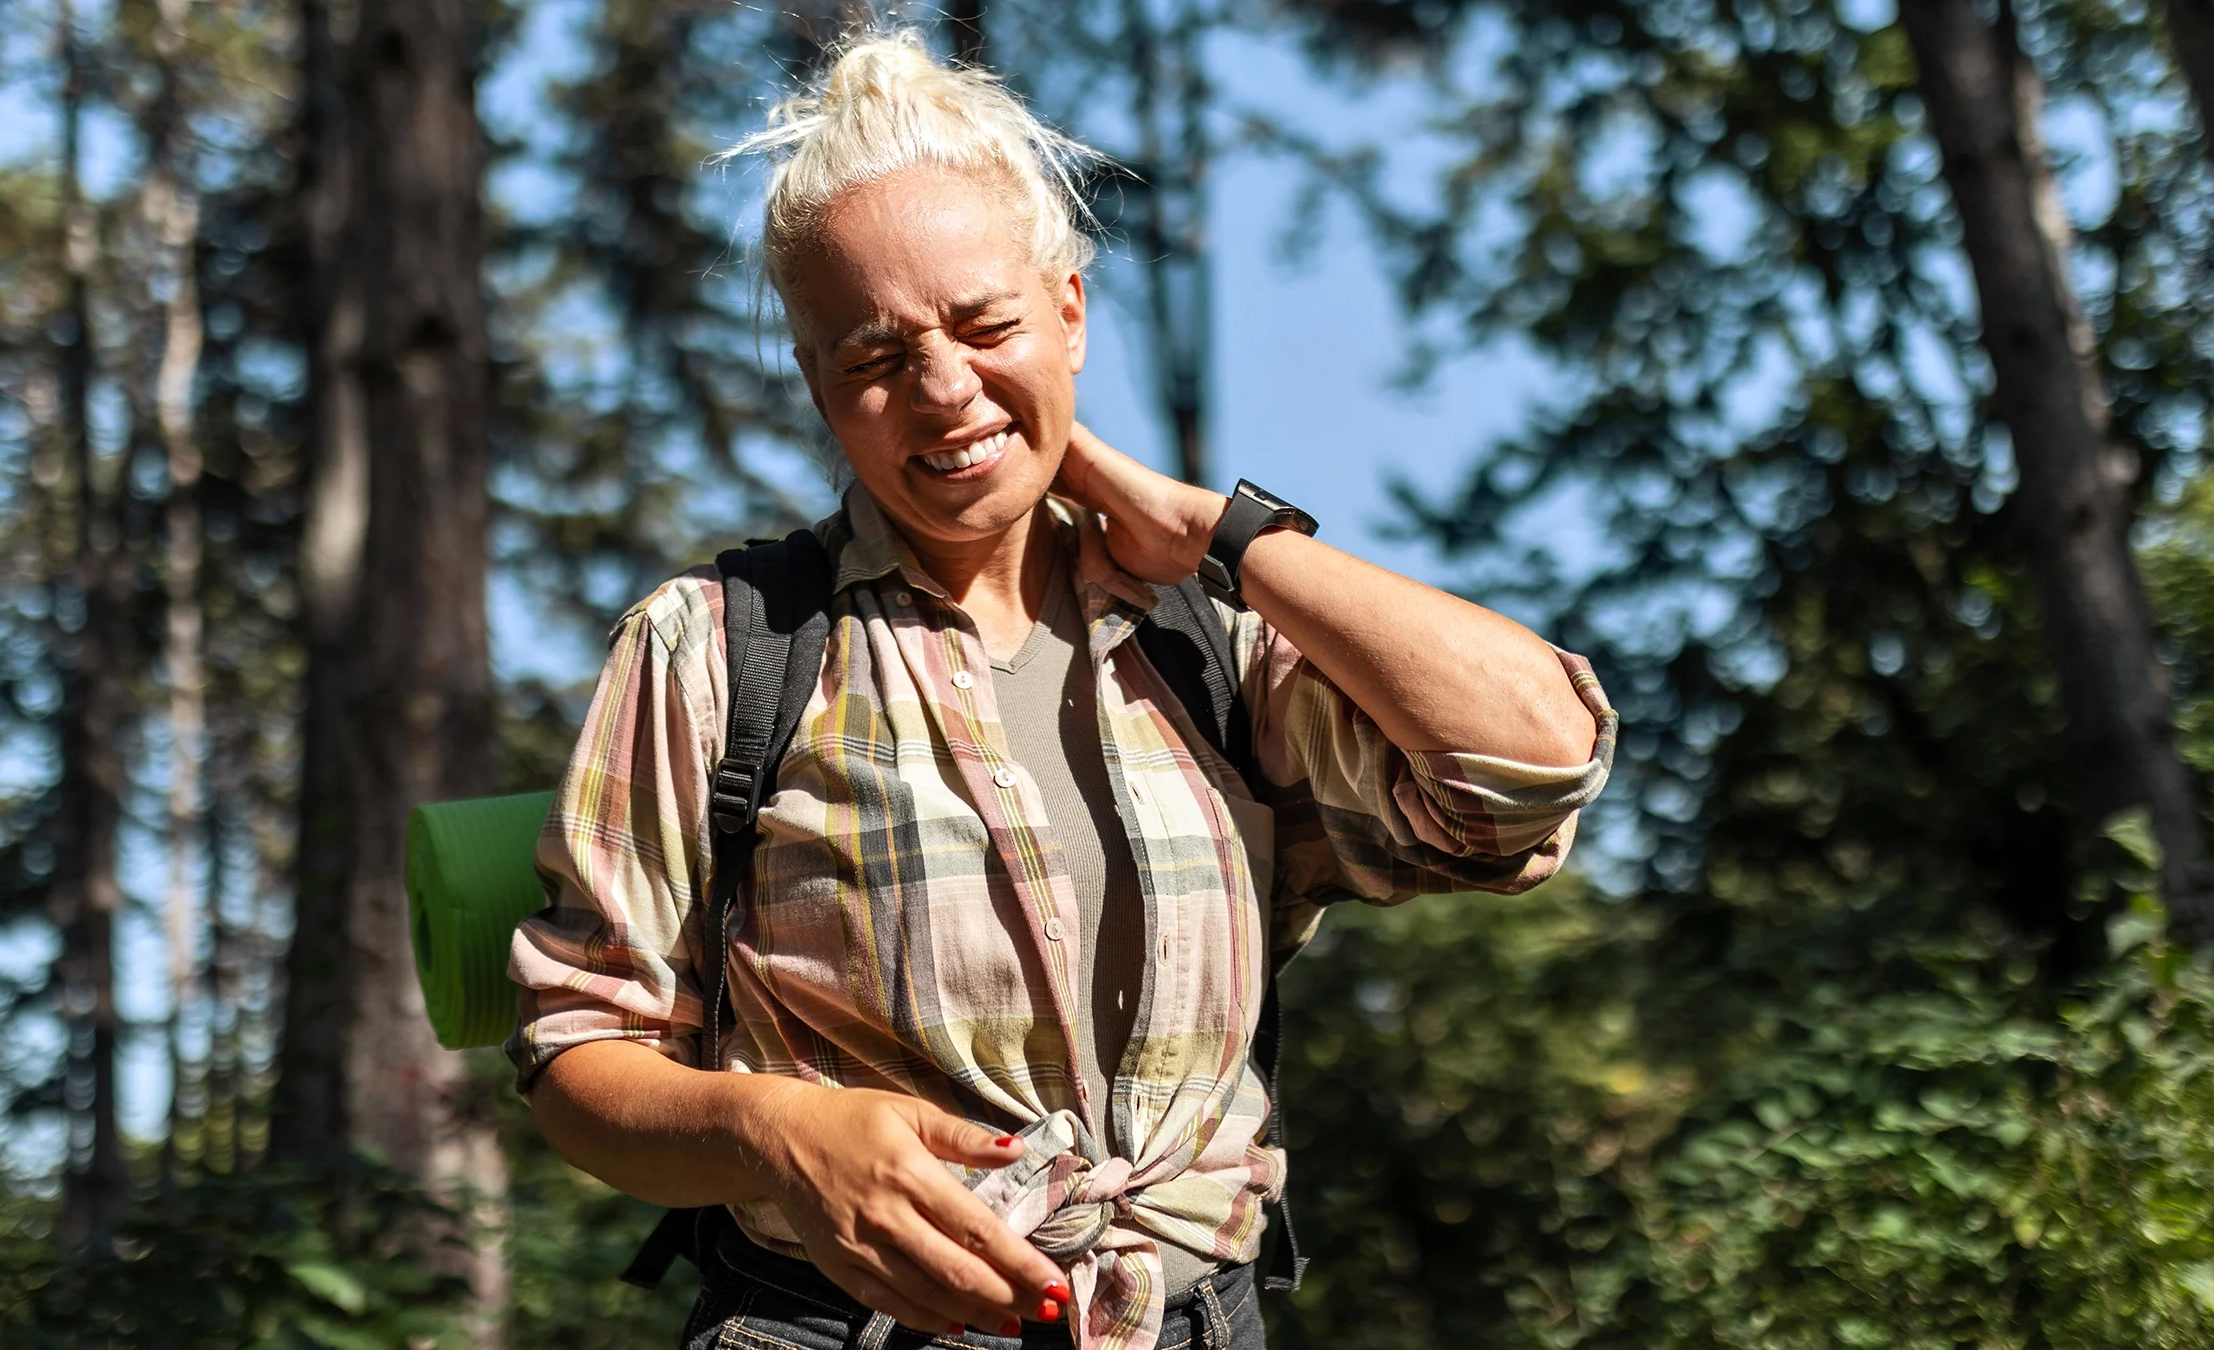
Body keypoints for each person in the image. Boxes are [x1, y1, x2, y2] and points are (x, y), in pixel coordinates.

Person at [507, 30, 1616, 1350]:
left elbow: (1531, 766)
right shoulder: (716, 647)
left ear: (1072, 312)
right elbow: (578, 1060)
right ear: (816, 383)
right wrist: (782, 1132)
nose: (942, 389)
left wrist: (1227, 532)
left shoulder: (1209, 647)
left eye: (988, 325)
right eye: (873, 356)